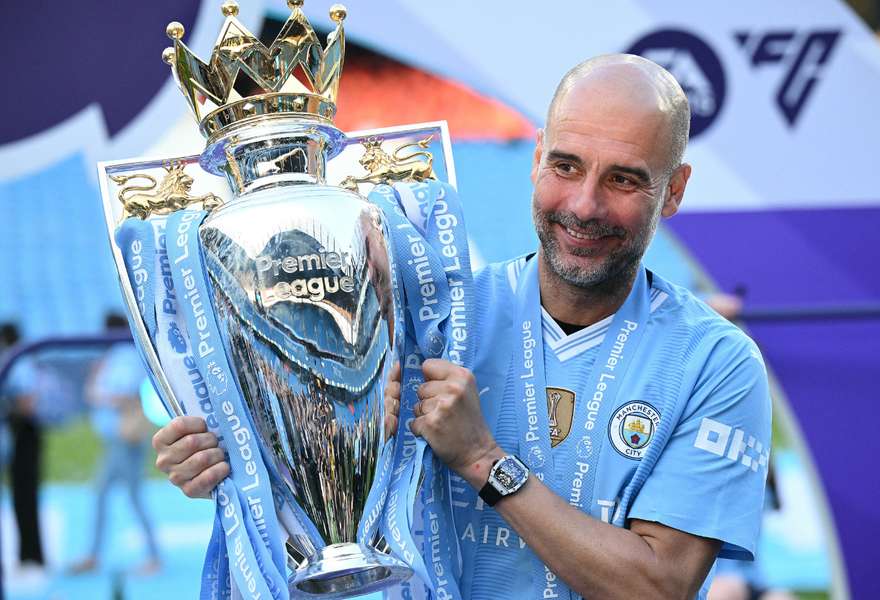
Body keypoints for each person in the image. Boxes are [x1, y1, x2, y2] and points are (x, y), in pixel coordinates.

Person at [152, 54, 771, 599]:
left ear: (673, 191)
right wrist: (241, 466)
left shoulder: (716, 362)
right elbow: (331, 517)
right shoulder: (431, 314)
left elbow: (658, 587)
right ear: (535, 162)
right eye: (566, 166)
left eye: (624, 179)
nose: (585, 205)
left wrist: (482, 459)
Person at [69, 314, 161, 575]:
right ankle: (95, 554)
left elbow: (125, 394)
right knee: (112, 494)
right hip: (117, 439)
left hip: (124, 439)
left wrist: (99, 393)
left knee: (127, 495)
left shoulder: (124, 356)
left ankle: (151, 556)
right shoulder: (120, 356)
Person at [0, 323, 46, 575]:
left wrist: (9, 408)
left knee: (25, 497)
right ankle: (27, 555)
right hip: (20, 432)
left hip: (24, 433)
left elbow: (28, 404)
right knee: (21, 498)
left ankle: (31, 556)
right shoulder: (20, 361)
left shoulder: (19, 362)